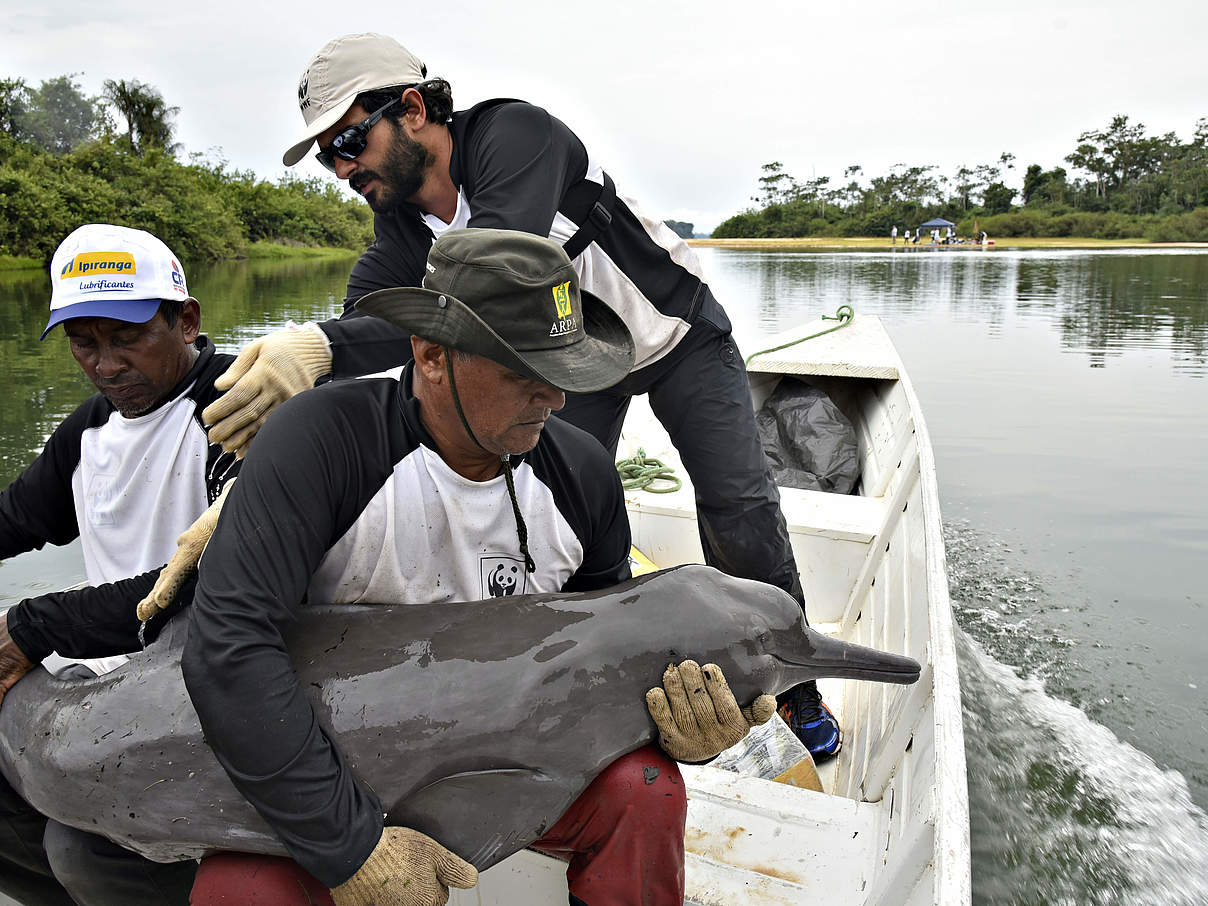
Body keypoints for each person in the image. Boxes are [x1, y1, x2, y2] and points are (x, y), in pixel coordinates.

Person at [197, 31, 839, 759]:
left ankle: (797, 688)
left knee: (739, 505)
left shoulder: (514, 137)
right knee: (560, 513)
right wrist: (257, 479)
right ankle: (590, 691)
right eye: (326, 155)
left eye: (350, 139)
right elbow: (383, 332)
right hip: (570, 369)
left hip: (674, 335)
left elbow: (487, 288)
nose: (343, 168)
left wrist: (322, 347)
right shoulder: (401, 234)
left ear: (412, 108)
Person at [172, 229, 773, 906]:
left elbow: (614, 655)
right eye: (526, 373)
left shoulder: (582, 476)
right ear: (432, 355)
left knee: (647, 791)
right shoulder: (322, 442)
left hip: (511, 761)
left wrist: (685, 733)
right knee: (239, 891)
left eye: (565, 369)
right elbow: (229, 649)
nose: (557, 399)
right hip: (338, 757)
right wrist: (352, 848)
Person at [0, 224, 239, 906]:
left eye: (126, 337)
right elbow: (17, 517)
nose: (105, 366)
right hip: (116, 686)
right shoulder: (92, 429)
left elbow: (212, 584)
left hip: (219, 688)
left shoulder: (240, 409)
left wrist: (35, 623)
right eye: (84, 343)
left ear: (186, 319)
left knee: (83, 846)